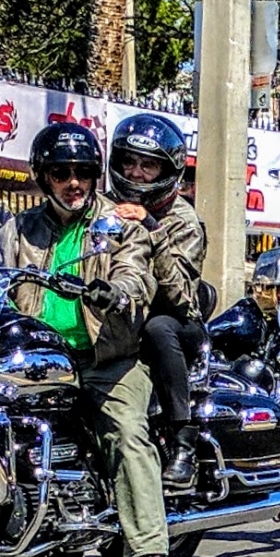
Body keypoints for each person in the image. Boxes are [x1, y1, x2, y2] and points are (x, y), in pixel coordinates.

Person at [0, 122, 173, 557]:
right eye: (60, 172)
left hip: (105, 360)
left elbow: (137, 276)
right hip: (36, 360)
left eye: (83, 172)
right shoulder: (17, 231)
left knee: (126, 432)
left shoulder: (118, 225)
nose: (73, 182)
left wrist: (118, 292)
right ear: (43, 176)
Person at [109, 112, 209, 489]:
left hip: (176, 319)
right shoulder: (106, 208)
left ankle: (183, 440)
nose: (135, 173)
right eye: (129, 162)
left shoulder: (183, 220)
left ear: (167, 169)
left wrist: (151, 228)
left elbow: (181, 296)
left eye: (147, 165)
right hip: (117, 312)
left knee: (158, 328)